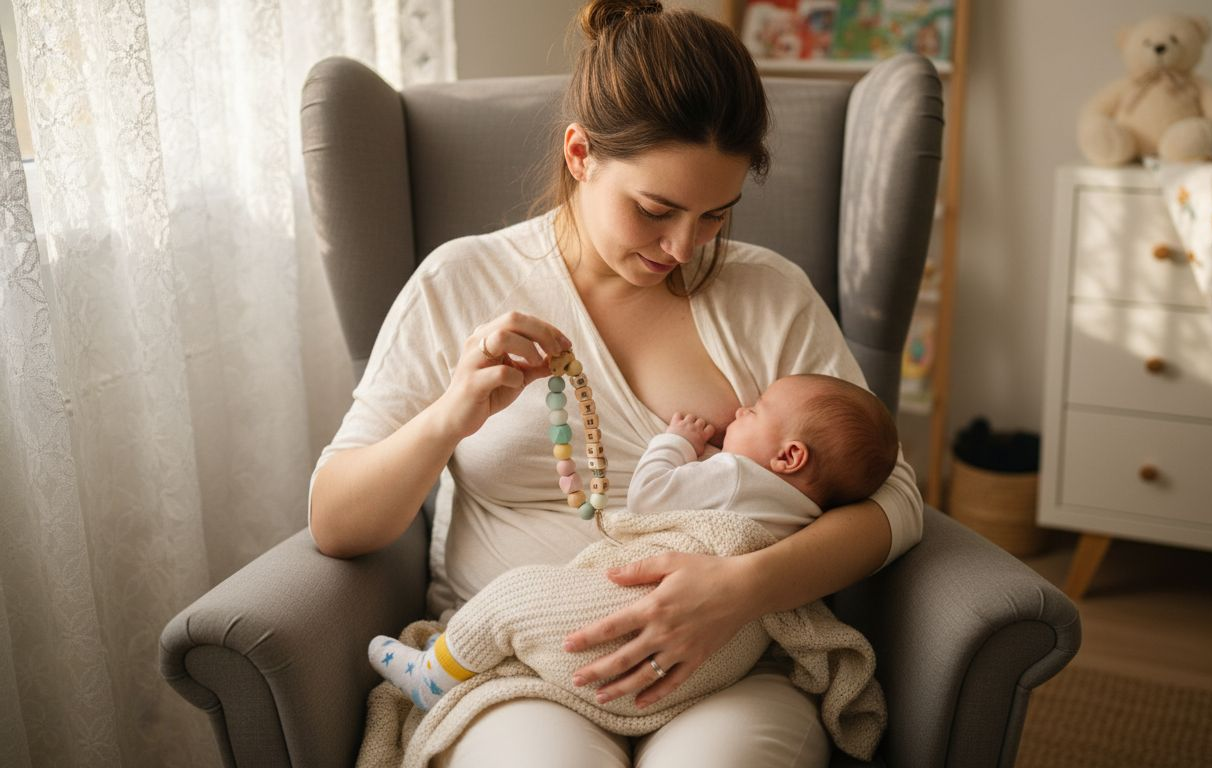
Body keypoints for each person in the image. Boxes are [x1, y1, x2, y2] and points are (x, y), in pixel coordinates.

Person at [308, 0, 923, 764]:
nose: (683, 247)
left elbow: (896, 501)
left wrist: (744, 589)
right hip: (516, 664)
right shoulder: (462, 281)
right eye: (656, 209)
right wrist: (452, 415)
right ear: (580, 154)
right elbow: (337, 521)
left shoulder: (767, 294)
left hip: (732, 659)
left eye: (715, 215)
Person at [367, 373, 899, 713]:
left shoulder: (735, 474)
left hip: (629, 626)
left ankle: (433, 674)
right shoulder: (809, 519)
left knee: (515, 594)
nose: (740, 411)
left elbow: (649, 499)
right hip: (708, 669)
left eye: (755, 410)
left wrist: (677, 444)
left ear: (789, 457)